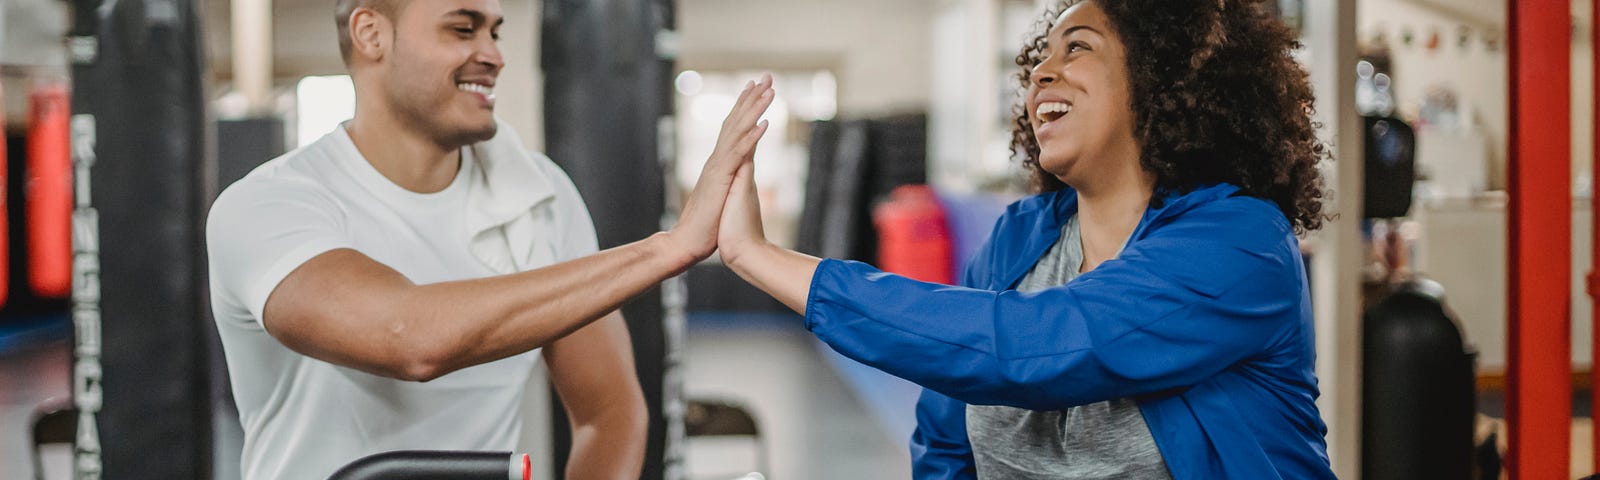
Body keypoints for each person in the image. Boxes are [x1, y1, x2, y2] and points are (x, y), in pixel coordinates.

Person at [714, 1, 1335, 478]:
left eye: (1078, 48)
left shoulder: (1241, 245)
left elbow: (1039, 346)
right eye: (1042, 55)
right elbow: (944, 435)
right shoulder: (1021, 237)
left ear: (1159, 80)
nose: (1042, 70)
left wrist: (761, 257)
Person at [204, 0, 773, 478]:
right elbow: (407, 338)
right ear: (371, 34)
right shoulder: (269, 205)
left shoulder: (539, 194)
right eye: (462, 28)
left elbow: (611, 410)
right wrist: (669, 247)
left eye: (495, 32)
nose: (494, 55)